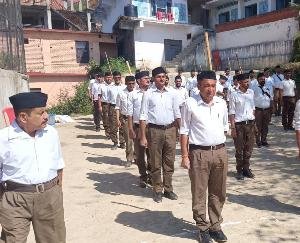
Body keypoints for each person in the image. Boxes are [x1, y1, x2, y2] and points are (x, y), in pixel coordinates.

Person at [0, 92, 66, 243]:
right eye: (41, 112)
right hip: (15, 200)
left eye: (45, 111)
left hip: (49, 197)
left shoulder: (51, 133)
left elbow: (59, 165)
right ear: (23, 117)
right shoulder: (3, 138)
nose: (46, 116)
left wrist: (55, 193)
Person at [180, 71, 229, 243]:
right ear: (199, 86)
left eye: (213, 86)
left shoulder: (221, 103)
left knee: (218, 192)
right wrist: (185, 156)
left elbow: (224, 127)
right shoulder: (190, 104)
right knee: (200, 192)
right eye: (207, 85)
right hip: (198, 153)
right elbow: (184, 131)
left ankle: (215, 226)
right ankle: (202, 227)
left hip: (220, 153)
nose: (210, 89)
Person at [139, 67, 181, 203]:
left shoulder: (173, 93)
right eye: (159, 77)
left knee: (169, 162)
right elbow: (143, 116)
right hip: (154, 131)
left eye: (163, 76)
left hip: (171, 130)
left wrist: (180, 132)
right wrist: (143, 137)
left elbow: (177, 113)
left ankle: (168, 189)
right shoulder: (148, 94)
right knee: (156, 162)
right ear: (153, 79)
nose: (162, 79)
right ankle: (157, 190)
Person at [229, 73, 256, 180]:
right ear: (239, 83)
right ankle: (239, 170)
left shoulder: (251, 92)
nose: (247, 83)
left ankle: (246, 169)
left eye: (248, 81)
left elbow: (253, 107)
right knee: (239, 149)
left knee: (249, 148)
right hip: (239, 126)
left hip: (250, 124)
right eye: (245, 82)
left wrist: (253, 121)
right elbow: (232, 113)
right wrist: (233, 128)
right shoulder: (234, 95)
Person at [128, 71, 152, 188]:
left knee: (153, 154)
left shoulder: (153, 93)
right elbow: (129, 114)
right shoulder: (133, 95)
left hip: (152, 128)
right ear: (138, 81)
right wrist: (131, 129)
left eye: (148, 78)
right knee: (140, 154)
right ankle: (143, 176)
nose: (148, 80)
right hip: (138, 128)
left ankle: (152, 175)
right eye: (145, 78)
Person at [115, 76, 135, 167]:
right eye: (129, 83)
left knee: (138, 141)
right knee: (128, 140)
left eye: (133, 83)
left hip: (136, 120)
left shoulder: (137, 93)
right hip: (126, 119)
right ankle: (129, 158)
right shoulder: (121, 93)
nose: (131, 85)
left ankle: (138, 158)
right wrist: (118, 119)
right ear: (126, 83)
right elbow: (118, 107)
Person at [252, 72, 273, 147]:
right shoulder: (253, 88)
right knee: (258, 126)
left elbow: (271, 98)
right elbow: (251, 100)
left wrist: (271, 108)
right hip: (258, 110)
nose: (263, 80)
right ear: (258, 80)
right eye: (261, 79)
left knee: (265, 126)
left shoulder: (268, 87)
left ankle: (264, 140)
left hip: (267, 110)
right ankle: (258, 141)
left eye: (264, 79)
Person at [107, 71, 126, 150]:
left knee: (122, 125)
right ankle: (115, 142)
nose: (117, 79)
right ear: (113, 78)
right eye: (116, 78)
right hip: (113, 107)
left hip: (122, 108)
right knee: (113, 126)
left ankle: (122, 142)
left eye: (119, 77)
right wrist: (109, 111)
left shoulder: (124, 87)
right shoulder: (110, 88)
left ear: (121, 77)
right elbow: (108, 100)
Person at [100, 72, 114, 139]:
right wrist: (100, 106)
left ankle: (112, 133)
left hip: (113, 105)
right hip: (105, 104)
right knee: (105, 119)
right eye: (107, 77)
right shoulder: (102, 86)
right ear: (105, 78)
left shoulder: (114, 85)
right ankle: (107, 134)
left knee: (112, 119)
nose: (109, 78)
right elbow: (99, 96)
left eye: (110, 77)